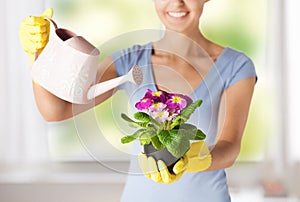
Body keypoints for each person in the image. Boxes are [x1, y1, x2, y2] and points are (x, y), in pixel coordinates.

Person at [19, 0, 257, 201]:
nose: (177, 2)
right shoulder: (129, 61)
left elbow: (230, 147)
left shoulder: (236, 66)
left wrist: (194, 158)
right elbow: (56, 111)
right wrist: (39, 55)